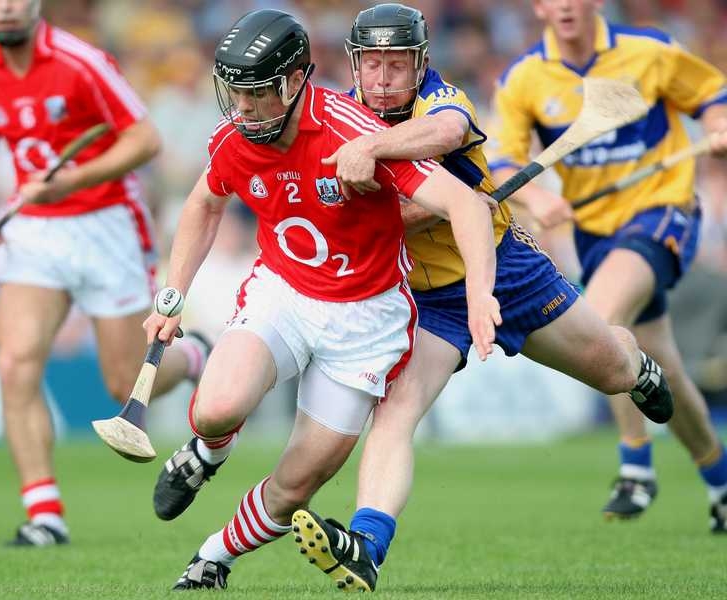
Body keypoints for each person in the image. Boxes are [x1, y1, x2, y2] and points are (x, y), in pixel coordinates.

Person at [287, 4, 678, 591]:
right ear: (355, 65)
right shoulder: (338, 119)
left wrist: (375, 151)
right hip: (425, 300)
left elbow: (445, 135)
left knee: (614, 369)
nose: (386, 78)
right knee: (393, 414)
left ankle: (638, 364)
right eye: (374, 65)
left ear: (421, 63)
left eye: (399, 64)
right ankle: (368, 544)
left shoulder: (444, 103)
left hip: (504, 271)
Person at [143, 8, 506, 590]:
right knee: (217, 407)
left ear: (292, 83)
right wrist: (172, 295)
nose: (240, 108)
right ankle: (207, 453)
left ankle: (214, 556)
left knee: (295, 486)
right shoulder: (235, 137)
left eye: (254, 94)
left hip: (366, 321)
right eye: (233, 93)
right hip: (283, 294)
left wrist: (480, 294)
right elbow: (203, 204)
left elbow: (463, 204)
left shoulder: (356, 131)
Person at [0, 0, 209, 546]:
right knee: (13, 363)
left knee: (122, 381)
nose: (5, 7)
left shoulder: (81, 62)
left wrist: (70, 183)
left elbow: (145, 140)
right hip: (36, 233)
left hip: (107, 225)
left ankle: (194, 356)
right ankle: (44, 514)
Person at [487, 0, 727, 526]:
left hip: (662, 211)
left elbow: (712, 95)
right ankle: (721, 481)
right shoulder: (524, 78)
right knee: (660, 366)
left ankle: (635, 465)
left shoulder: (649, 52)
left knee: (600, 322)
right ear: (539, 6)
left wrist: (719, 123)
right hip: (595, 233)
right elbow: (502, 157)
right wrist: (536, 199)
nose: (567, 4)